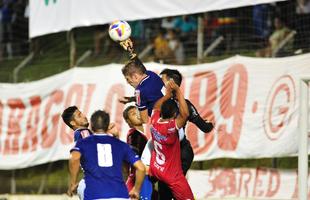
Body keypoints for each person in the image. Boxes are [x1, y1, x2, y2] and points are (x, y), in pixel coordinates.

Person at [67, 110, 146, 200]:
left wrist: (73, 183)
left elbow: (74, 158)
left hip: (95, 194)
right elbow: (141, 168)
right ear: (107, 124)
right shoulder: (120, 145)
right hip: (119, 195)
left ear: (92, 126)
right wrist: (136, 190)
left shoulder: (85, 143)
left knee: (83, 185)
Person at [149, 80, 194, 200]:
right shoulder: (170, 127)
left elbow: (156, 106)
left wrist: (167, 95)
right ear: (175, 114)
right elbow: (185, 114)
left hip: (156, 168)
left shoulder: (153, 121)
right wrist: (178, 91)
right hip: (171, 174)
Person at [61, 106, 92, 200]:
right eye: (79, 115)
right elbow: (91, 155)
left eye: (82, 113)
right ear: (73, 123)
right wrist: (73, 183)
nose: (84, 116)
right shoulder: (84, 132)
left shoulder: (78, 134)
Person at [123, 106, 153, 200]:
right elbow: (132, 155)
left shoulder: (141, 135)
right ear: (128, 121)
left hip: (140, 177)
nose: (137, 113)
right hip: (139, 179)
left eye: (137, 111)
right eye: (132, 113)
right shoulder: (134, 134)